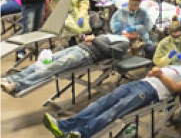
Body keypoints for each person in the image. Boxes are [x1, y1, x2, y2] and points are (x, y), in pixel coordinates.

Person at [43, 65, 181, 138]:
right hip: (139, 83)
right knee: (100, 103)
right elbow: (153, 71)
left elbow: (177, 88)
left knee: (114, 111)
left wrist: (159, 75)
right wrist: (154, 72)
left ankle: (82, 133)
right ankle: (64, 126)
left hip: (151, 92)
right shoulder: (176, 66)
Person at [1, 34, 129, 95]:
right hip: (78, 48)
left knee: (51, 68)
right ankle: (12, 78)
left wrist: (95, 40)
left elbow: (112, 53)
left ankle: (18, 85)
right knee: (43, 63)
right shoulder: (113, 35)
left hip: (86, 55)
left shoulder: (124, 42)